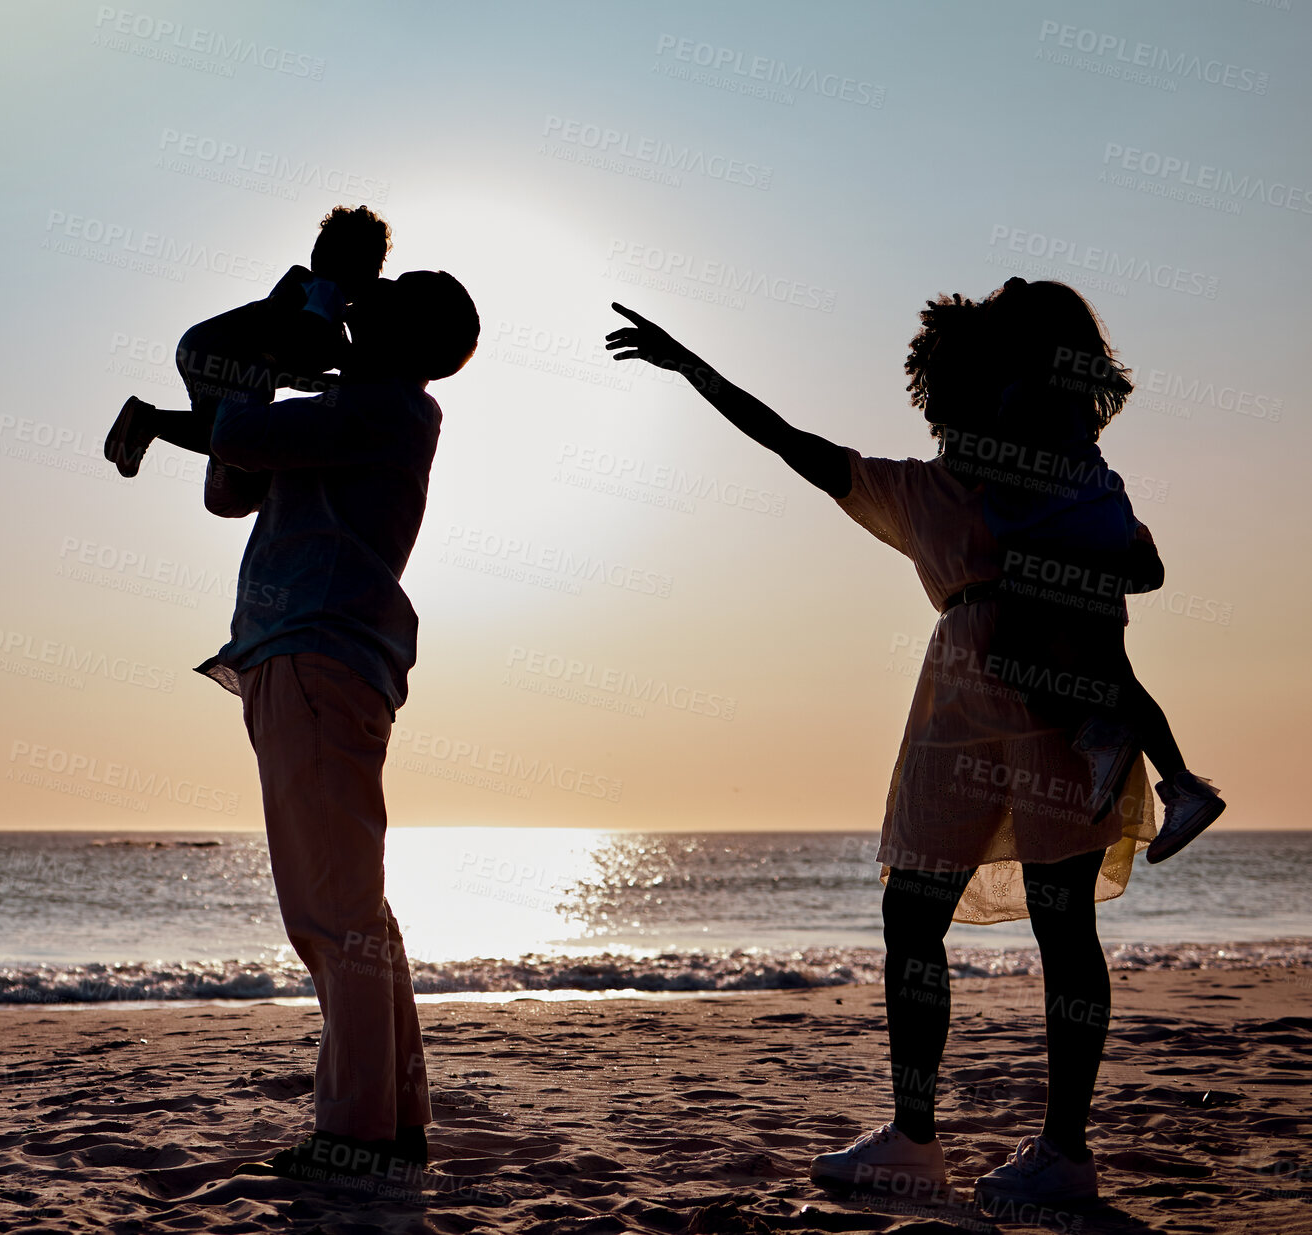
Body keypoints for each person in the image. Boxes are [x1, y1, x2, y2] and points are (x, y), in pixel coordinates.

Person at [605, 283, 1168, 1207]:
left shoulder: (1065, 473)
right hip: (956, 712)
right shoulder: (922, 487)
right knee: (914, 917)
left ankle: (1063, 1148)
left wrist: (1048, 573)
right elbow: (793, 444)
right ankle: (915, 1136)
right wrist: (691, 366)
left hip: (1056, 700)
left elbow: (1141, 563)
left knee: (1064, 927)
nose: (948, 409)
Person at [201, 270, 480, 1184]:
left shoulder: (382, 407)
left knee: (333, 913)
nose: (366, 303)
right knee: (359, 912)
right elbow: (229, 484)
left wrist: (295, 326)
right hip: (329, 662)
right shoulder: (371, 408)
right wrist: (291, 343)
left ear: (405, 337)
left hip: (313, 660)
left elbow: (235, 430)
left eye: (383, 300)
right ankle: (392, 1122)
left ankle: (358, 1134)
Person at [925, 278, 1224, 862]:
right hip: (1098, 524)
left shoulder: (1025, 394)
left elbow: (984, 453)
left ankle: (1106, 736)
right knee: (1113, 668)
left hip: (1063, 541)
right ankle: (1180, 785)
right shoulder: (1066, 389)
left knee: (1013, 656)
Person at [102, 205, 392, 515]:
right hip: (220, 354)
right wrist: (349, 358)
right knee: (230, 436)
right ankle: (151, 421)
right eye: (374, 267)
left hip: (204, 349)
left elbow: (295, 364)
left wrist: (332, 381)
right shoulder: (325, 294)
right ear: (353, 265)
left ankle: (163, 431)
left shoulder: (310, 295)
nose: (375, 277)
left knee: (220, 434)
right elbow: (310, 338)